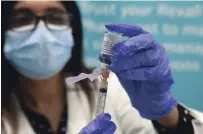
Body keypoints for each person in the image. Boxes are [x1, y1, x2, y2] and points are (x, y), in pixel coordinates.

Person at [1, 1, 203, 134]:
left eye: (55, 17)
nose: (41, 32)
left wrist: (166, 115)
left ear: (73, 30)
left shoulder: (111, 87)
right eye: (22, 18)